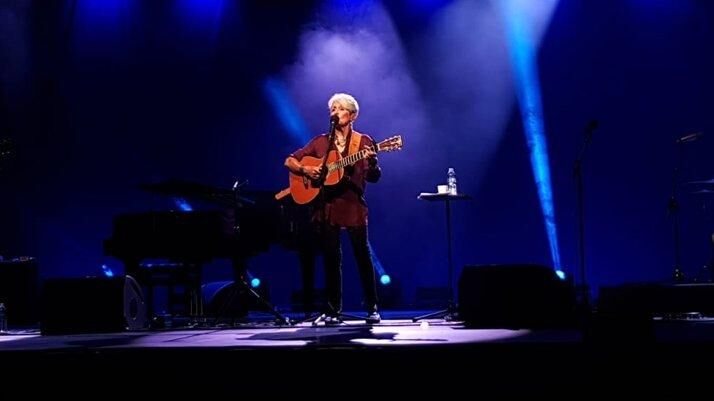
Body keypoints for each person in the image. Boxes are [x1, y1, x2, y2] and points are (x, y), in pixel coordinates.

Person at [284, 93, 382, 324]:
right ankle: (332, 309)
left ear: (352, 115)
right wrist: (306, 170)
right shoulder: (321, 142)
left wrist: (373, 162)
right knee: (331, 258)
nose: (334, 112)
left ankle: (372, 307)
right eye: (332, 109)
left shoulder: (362, 141)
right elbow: (289, 160)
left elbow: (374, 177)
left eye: (340, 108)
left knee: (362, 256)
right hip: (326, 206)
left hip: (353, 205)